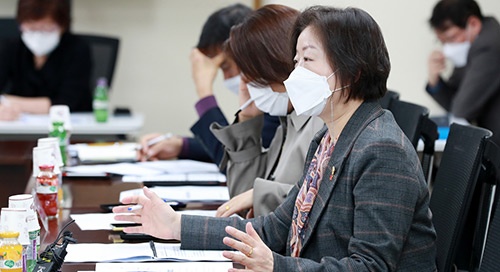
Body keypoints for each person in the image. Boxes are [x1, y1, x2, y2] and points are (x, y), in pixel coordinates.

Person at [114, 5, 437, 271]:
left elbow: (372, 267)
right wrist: (175, 225)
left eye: (308, 60)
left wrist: (275, 266)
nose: (295, 75)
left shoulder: (381, 148)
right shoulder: (327, 139)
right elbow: (273, 229)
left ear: (352, 73)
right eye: (295, 61)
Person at [211, 5, 323, 218]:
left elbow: (321, 204)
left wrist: (259, 195)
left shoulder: (320, 123)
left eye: (252, 74)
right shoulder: (288, 121)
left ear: (275, 66)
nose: (247, 83)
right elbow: (241, 200)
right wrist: (247, 121)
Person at [137, 3, 280, 164]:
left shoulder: (277, 101)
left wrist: (204, 91)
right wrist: (182, 145)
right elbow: (237, 149)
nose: (226, 77)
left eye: (224, 66)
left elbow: (234, 162)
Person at [0, 0, 92, 121]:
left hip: (70, 128)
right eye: (31, 28)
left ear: (62, 25)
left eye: (46, 28)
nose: (38, 35)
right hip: (20, 129)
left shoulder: (78, 49)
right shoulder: (12, 48)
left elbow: (66, 102)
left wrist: (9, 101)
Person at [426, 0, 500, 145]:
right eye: (443, 41)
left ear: (473, 24)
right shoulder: (474, 46)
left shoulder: (489, 46)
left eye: (451, 38)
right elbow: (454, 103)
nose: (448, 47)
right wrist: (434, 80)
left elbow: (462, 109)